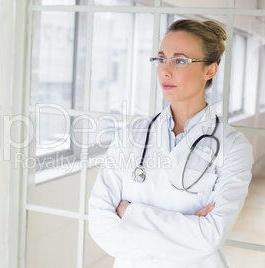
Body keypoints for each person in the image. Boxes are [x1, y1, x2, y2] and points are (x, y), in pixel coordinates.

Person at [88, 19, 254, 268]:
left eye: (179, 60)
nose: (165, 70)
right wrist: (184, 233)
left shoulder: (233, 147)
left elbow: (209, 237)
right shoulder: (131, 135)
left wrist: (131, 214)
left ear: (210, 70)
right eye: (161, 58)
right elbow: (100, 224)